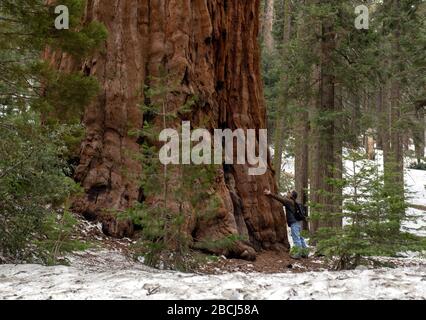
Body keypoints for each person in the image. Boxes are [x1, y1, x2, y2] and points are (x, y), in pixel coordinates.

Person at [264, 189, 308, 259]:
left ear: (291, 195)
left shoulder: (289, 202)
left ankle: (298, 254)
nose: (288, 192)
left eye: (289, 192)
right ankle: (305, 253)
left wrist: (270, 193)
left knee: (296, 239)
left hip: (294, 223)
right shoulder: (293, 202)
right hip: (297, 223)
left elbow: (280, 199)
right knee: (301, 238)